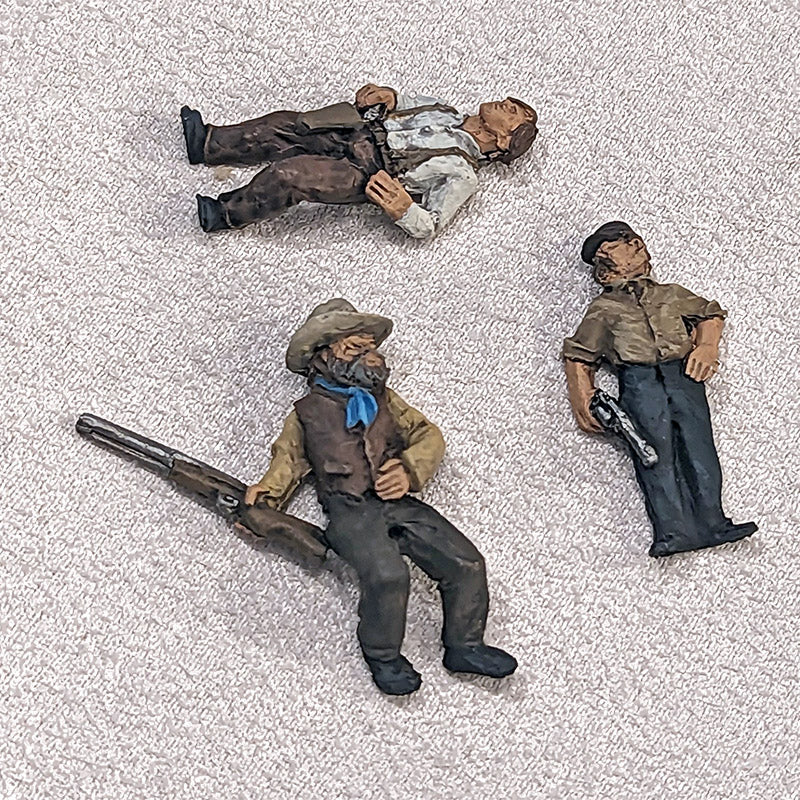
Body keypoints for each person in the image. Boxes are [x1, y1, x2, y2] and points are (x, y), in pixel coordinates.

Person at [244, 298, 517, 694]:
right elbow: (287, 459)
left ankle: (465, 644)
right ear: (324, 355)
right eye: (357, 348)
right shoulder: (307, 414)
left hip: (397, 502)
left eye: (372, 348)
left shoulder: (385, 401)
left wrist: (408, 469)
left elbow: (428, 435)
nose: (372, 356)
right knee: (387, 576)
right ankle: (384, 656)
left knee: (465, 561)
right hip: (349, 510)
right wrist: (266, 496)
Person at [563, 221, 757, 557]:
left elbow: (710, 313)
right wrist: (583, 395)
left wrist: (706, 347)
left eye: (628, 242)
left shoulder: (670, 295)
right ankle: (671, 531)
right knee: (653, 455)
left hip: (683, 375)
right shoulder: (603, 311)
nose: (633, 247)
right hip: (639, 382)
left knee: (700, 448)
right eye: (618, 246)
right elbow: (579, 353)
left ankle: (714, 520)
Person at [180, 84, 537, 238]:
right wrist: (388, 96)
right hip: (357, 131)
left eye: (512, 113)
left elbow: (430, 224)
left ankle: (224, 214)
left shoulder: (462, 174)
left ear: (503, 141)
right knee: (287, 124)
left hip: (365, 173)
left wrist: (403, 208)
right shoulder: (445, 111)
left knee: (291, 176)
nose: (505, 104)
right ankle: (210, 143)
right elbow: (404, 103)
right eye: (510, 104)